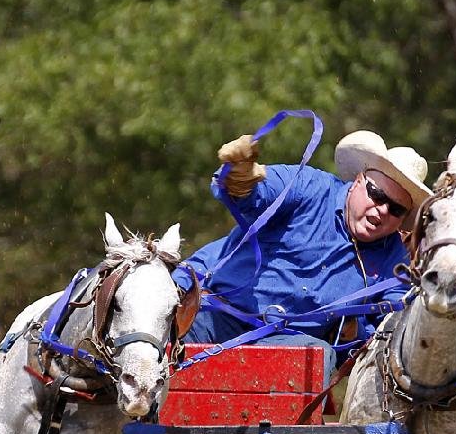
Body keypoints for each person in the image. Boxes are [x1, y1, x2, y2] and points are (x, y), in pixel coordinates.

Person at [173, 129, 431, 371]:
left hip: (288, 345)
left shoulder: (397, 262)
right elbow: (258, 192)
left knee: (317, 357)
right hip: (216, 313)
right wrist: (242, 179)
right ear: (358, 181)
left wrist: (356, 332)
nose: (383, 209)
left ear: (403, 219)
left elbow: (389, 328)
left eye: (396, 209)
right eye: (377, 194)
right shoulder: (309, 186)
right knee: (156, 335)